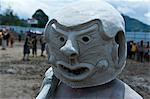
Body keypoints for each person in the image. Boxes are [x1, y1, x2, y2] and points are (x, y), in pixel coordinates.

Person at [36, 0, 143, 99]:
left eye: (85, 39)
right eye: (61, 38)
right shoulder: (52, 86)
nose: (68, 50)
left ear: (120, 47)